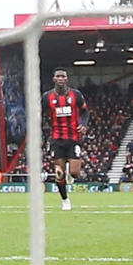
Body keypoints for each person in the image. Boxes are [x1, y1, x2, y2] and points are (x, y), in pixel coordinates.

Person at [41, 68, 89, 211]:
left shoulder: (76, 95)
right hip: (57, 140)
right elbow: (40, 114)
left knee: (74, 173)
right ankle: (65, 200)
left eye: (63, 76)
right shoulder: (47, 97)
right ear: (54, 79)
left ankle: (70, 171)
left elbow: (85, 111)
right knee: (59, 174)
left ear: (66, 79)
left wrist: (84, 124)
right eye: (58, 76)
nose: (61, 79)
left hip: (73, 138)